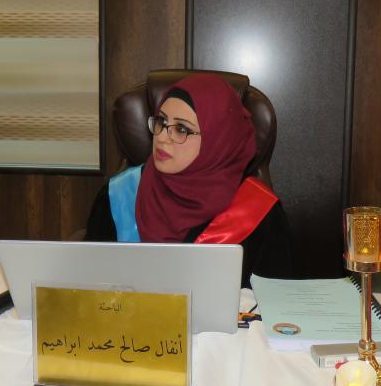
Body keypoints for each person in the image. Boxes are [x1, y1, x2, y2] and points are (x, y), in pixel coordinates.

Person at [86, 73, 293, 287]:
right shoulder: (117, 197)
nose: (162, 137)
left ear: (217, 139)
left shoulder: (261, 215)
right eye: (161, 121)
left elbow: (276, 300)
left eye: (181, 129)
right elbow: (87, 288)